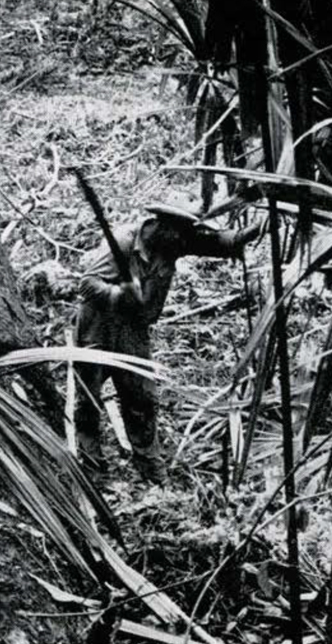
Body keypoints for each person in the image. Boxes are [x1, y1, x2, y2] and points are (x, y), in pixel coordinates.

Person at [74, 194, 262, 484]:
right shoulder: (124, 242)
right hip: (99, 325)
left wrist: (259, 227)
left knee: (142, 397)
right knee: (89, 397)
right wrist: (117, 294)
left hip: (133, 330)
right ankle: (91, 470)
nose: (186, 240)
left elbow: (221, 243)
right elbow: (86, 283)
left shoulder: (174, 242)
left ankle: (150, 470)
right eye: (182, 233)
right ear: (162, 226)